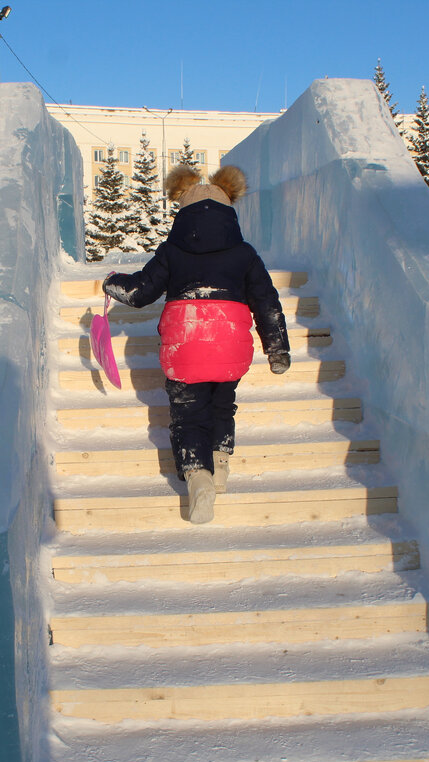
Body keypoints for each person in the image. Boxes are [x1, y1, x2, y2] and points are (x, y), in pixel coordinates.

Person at [103, 164, 290, 524]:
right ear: (229, 210)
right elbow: (267, 301)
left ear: (183, 210)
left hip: (185, 343)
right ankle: (219, 465)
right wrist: (277, 348)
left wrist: (112, 283)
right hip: (229, 345)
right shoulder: (245, 254)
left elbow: (141, 292)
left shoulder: (172, 251)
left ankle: (197, 475)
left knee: (188, 414)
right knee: (222, 405)